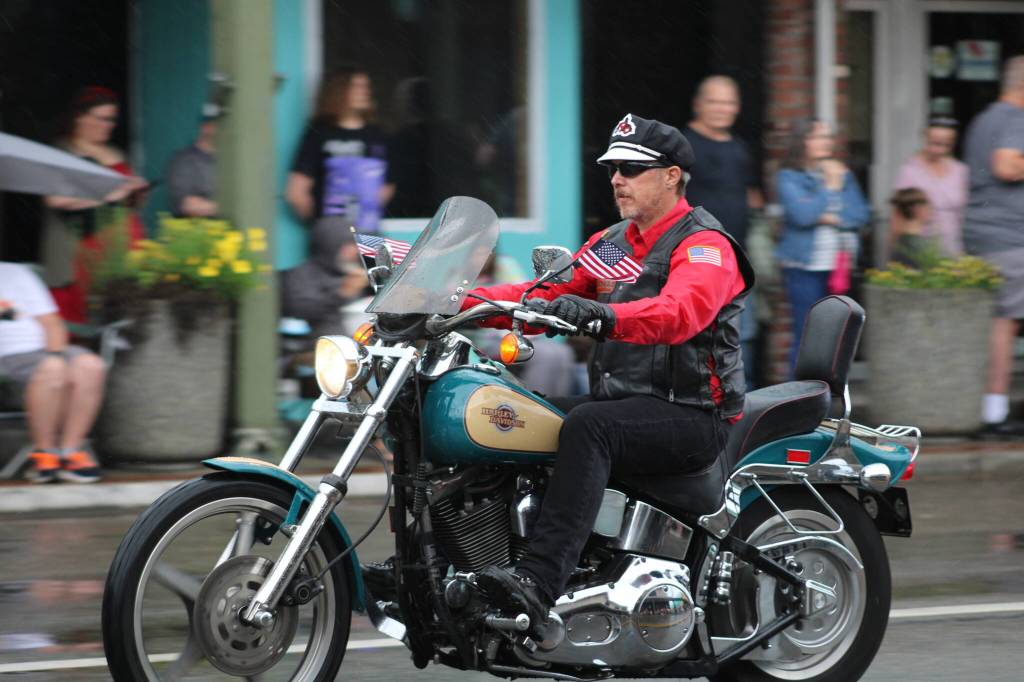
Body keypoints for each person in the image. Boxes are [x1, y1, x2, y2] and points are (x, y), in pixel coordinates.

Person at [463, 114, 755, 626]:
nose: (617, 178)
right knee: (503, 417)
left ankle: (539, 580)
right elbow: (542, 293)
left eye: (632, 168)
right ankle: (469, 567)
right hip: (625, 401)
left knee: (588, 427)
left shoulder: (705, 245)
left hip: (689, 413)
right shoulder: (617, 242)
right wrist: (447, 302)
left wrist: (603, 315)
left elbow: (679, 312)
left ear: (671, 176)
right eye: (613, 168)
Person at [41, 86, 148, 323]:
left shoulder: (116, 152)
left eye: (112, 119)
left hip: (124, 244)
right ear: (80, 117)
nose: (108, 124)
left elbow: (126, 203)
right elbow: (54, 199)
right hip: (84, 248)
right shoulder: (63, 151)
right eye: (102, 118)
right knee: (85, 316)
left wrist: (135, 194)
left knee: (125, 317)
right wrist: (108, 197)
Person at [684, 75, 764, 388]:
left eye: (729, 102)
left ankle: (745, 404)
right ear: (698, 104)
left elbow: (750, 195)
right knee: (700, 334)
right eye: (714, 101)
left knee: (743, 335)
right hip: (698, 257)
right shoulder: (683, 145)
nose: (722, 108)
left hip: (738, 257)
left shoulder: (740, 149)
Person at [775, 118, 869, 374]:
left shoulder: (844, 173)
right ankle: (794, 404)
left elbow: (860, 214)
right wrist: (830, 187)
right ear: (803, 141)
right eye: (818, 136)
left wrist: (829, 217)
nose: (825, 142)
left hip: (839, 268)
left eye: (827, 137)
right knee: (805, 336)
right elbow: (802, 216)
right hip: (805, 267)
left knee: (834, 338)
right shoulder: (789, 177)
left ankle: (824, 402)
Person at [962, 56, 1024, 439]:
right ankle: (994, 413)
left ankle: (993, 409)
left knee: (1001, 320)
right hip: (1009, 238)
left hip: (985, 233)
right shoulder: (1015, 118)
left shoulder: (985, 119)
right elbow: (1005, 165)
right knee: (1005, 321)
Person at [0, 262, 105, 483]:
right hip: (8, 357)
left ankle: (70, 452)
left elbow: (52, 323)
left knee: (90, 365)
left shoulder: (16, 273)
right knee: (53, 369)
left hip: (44, 349)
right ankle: (44, 454)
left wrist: (55, 354)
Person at [286, 67, 394, 232]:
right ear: (339, 90)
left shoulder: (377, 135)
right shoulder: (320, 133)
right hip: (331, 233)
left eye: (366, 87)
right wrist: (321, 223)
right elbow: (296, 192)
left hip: (369, 231)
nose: (364, 92)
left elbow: (387, 186)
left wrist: (366, 211)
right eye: (356, 87)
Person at [280, 219, 369, 339]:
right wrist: (341, 294)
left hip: (359, 340)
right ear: (329, 243)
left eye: (355, 245)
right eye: (347, 245)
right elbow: (301, 311)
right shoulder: (303, 275)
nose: (354, 251)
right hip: (320, 346)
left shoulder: (354, 271)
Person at [892, 116, 968, 257]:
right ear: (924, 137)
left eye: (946, 144)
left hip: (953, 249)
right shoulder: (910, 170)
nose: (939, 150)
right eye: (934, 143)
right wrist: (894, 253)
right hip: (919, 251)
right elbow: (898, 216)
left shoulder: (960, 171)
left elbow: (963, 215)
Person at [166, 105, 220, 218]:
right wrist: (227, 206)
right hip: (197, 231)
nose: (214, 128)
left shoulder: (230, 161)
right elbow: (189, 205)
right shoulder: (184, 160)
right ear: (204, 127)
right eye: (210, 124)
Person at [888, 188, 936, 267]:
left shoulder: (900, 241)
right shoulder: (917, 246)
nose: (931, 209)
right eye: (927, 204)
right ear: (917, 208)